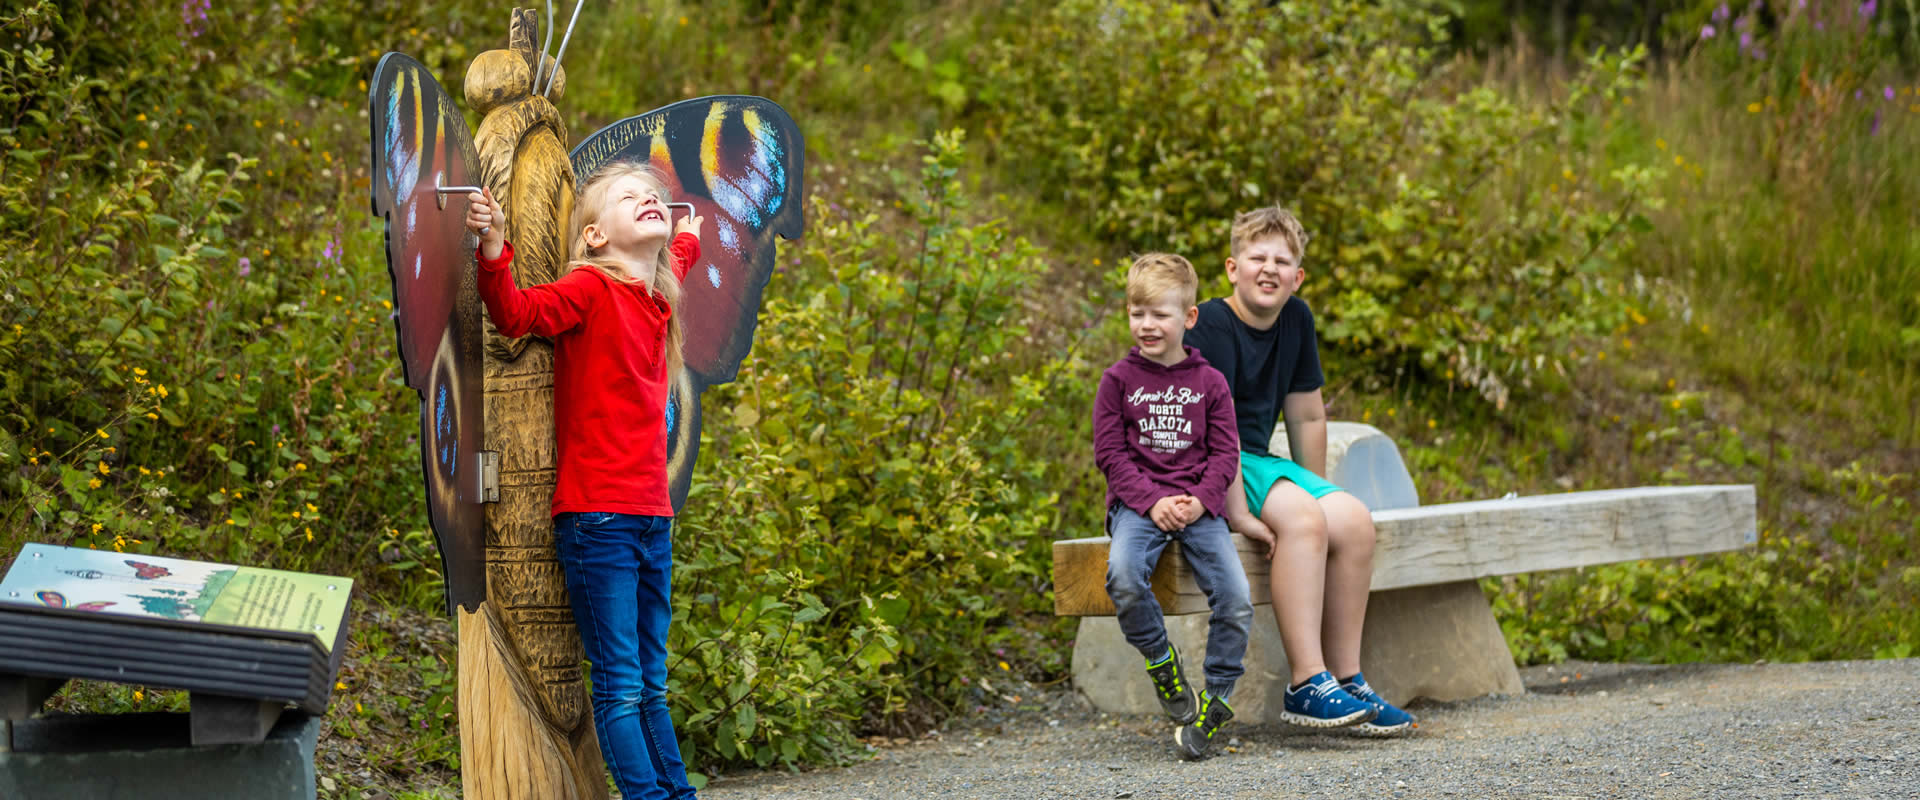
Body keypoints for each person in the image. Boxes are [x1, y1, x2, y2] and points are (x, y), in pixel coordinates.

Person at [465, 161, 707, 798]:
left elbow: (672, 255)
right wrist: (493, 248)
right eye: (631, 198)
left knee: (652, 683)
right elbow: (515, 314)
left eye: (656, 198)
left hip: (654, 519)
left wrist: (690, 238)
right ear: (595, 236)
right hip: (598, 518)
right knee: (623, 685)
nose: (651, 201)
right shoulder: (589, 291)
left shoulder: (655, 298)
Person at [1184, 206, 1413, 735]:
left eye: (1282, 260)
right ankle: (1306, 683)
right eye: (1256, 257)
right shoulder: (1210, 325)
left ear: (1298, 276)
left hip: (1258, 459)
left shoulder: (1297, 319)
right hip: (1212, 458)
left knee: (1352, 521)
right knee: (1305, 520)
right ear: (1232, 268)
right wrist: (1254, 510)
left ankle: (1346, 678)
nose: (1269, 268)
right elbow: (1208, 429)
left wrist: (1318, 489)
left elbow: (1307, 412)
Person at [1093, 252, 1253, 760]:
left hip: (1198, 509)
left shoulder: (1211, 384)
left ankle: (1218, 697)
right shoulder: (1117, 381)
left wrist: (1201, 501)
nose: (1147, 324)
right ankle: (1162, 663)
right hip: (1138, 507)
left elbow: (1227, 452)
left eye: (1159, 314)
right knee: (1121, 574)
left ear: (1188, 319)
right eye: (1137, 312)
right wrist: (1152, 500)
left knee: (1236, 596)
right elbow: (1110, 454)